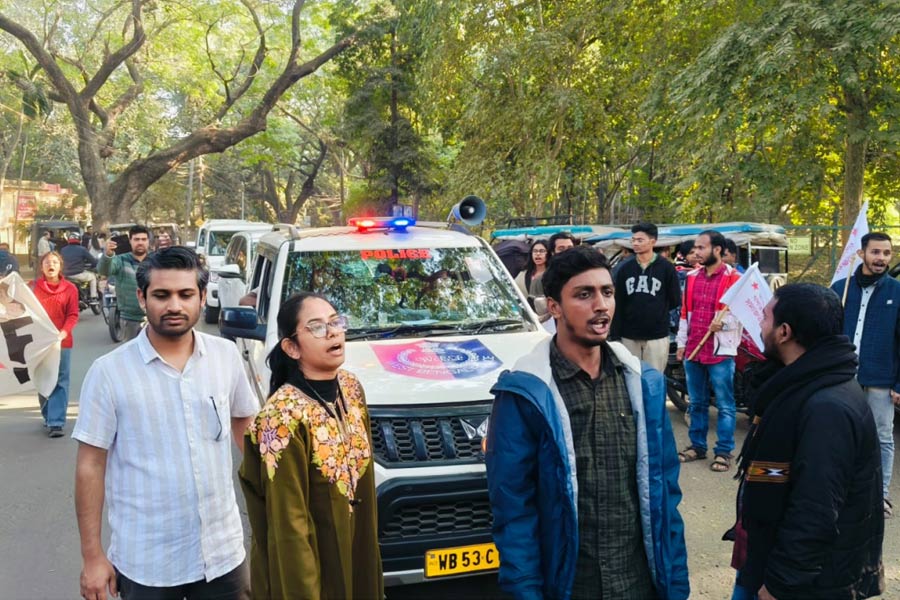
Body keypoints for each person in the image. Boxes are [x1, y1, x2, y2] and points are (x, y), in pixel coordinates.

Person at [485, 246, 689, 600]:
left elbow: (665, 495)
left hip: (638, 583)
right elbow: (514, 509)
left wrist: (676, 585)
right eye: (584, 294)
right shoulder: (526, 394)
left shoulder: (643, 385)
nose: (601, 305)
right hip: (568, 585)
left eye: (607, 292)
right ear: (554, 307)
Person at [73, 247, 257, 600]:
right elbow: (90, 465)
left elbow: (244, 423)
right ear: (142, 298)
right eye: (162, 295)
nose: (174, 305)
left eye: (186, 294)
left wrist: (278, 489)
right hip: (147, 562)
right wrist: (92, 557)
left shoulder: (225, 356)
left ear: (202, 297)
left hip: (222, 554)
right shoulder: (109, 373)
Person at [729, 284, 884, 599]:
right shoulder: (797, 382)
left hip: (801, 582)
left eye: (765, 318)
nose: (759, 325)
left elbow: (815, 509)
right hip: (767, 557)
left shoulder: (827, 406)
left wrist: (778, 584)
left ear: (784, 332)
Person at [240, 292, 382, 599]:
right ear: (291, 347)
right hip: (311, 569)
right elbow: (289, 528)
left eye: (335, 322)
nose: (332, 332)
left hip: (356, 550)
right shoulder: (282, 417)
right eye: (316, 327)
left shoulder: (351, 388)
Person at [831, 231, 900, 519]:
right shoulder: (840, 288)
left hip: (881, 379)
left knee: (882, 437)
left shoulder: (897, 292)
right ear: (861, 254)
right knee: (841, 436)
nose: (881, 258)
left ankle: (880, 495)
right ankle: (841, 491)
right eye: (875, 252)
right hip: (843, 376)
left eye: (886, 253)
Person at [675, 230, 742, 472]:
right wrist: (682, 343)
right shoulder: (692, 277)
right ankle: (697, 446)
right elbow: (685, 313)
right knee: (697, 402)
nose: (696, 253)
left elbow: (742, 316)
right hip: (694, 348)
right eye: (695, 248)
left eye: (701, 248)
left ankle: (724, 451)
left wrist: (723, 323)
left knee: (725, 404)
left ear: (717, 250)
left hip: (721, 350)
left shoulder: (735, 279)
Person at [612, 222, 682, 374]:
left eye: (640, 240)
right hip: (629, 335)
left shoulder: (666, 268)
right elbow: (618, 301)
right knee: (631, 376)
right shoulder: (625, 268)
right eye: (633, 240)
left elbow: (675, 299)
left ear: (653, 241)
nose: (635, 243)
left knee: (654, 377)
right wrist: (615, 334)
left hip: (656, 335)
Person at [31, 251, 79, 438]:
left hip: (62, 341)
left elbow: (73, 314)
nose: (51, 265)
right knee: (43, 378)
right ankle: (48, 415)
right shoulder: (32, 287)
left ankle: (56, 421)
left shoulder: (70, 289)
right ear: (41, 266)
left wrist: (63, 332)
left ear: (60, 266)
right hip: (38, 343)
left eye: (55, 262)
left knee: (60, 380)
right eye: (47, 262)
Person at [98, 224, 151, 341]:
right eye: (136, 239)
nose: (140, 242)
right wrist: (108, 255)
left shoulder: (156, 260)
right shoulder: (120, 259)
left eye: (143, 239)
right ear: (130, 241)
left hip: (154, 318)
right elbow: (104, 270)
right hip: (129, 319)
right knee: (131, 357)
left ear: (148, 241)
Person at [61, 233, 99, 304]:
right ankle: (93, 297)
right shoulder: (82, 249)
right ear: (79, 239)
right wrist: (95, 264)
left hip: (65, 275)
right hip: (78, 274)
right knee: (93, 277)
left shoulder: (63, 250)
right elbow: (93, 261)